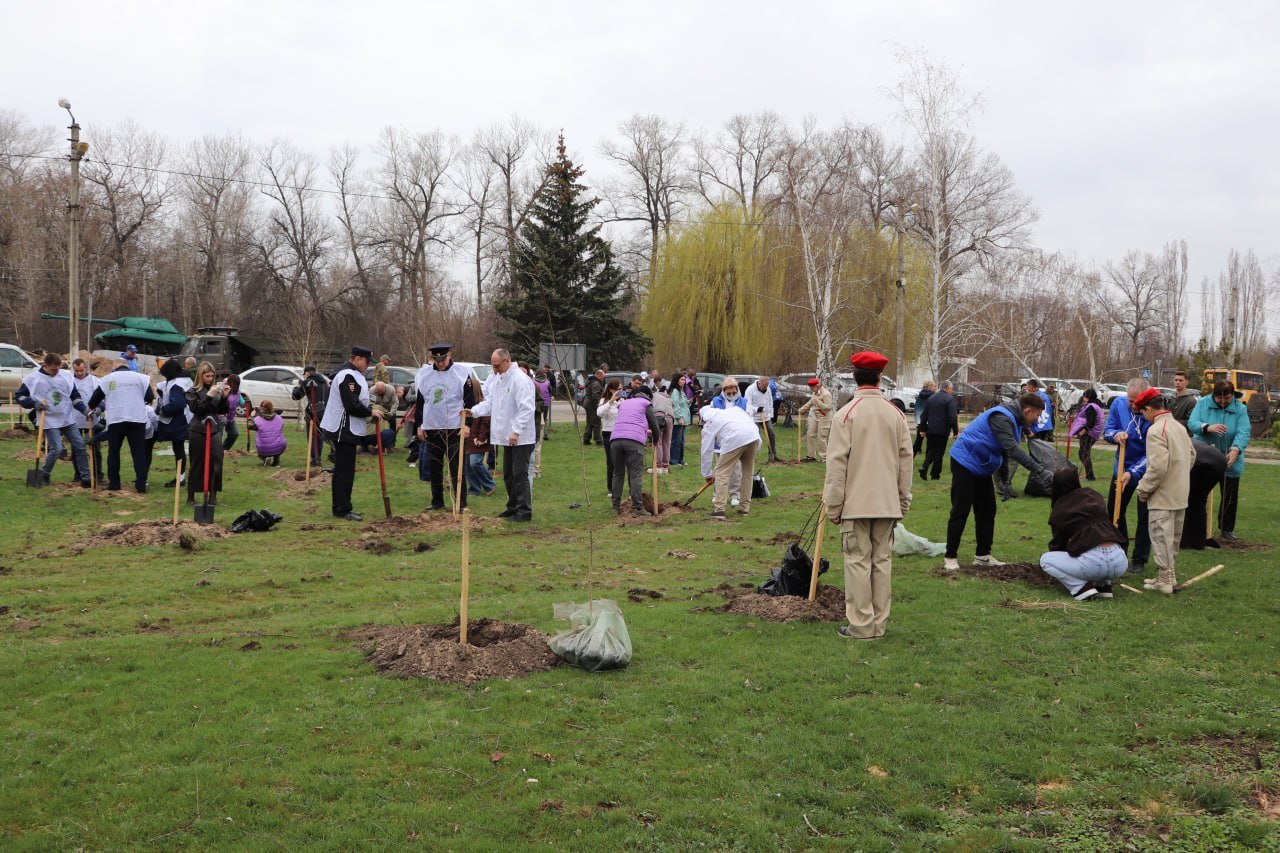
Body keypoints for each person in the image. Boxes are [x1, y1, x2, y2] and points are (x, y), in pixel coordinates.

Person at [823, 350, 913, 639]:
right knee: (881, 563)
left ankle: (862, 626)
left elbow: (836, 466)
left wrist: (833, 505)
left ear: (854, 376)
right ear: (880, 378)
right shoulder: (896, 414)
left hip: (856, 504)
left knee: (858, 562)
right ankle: (878, 625)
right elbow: (905, 462)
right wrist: (903, 499)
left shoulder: (845, 415)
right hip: (887, 504)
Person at [943, 393, 1051, 571]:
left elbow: (1003, 452)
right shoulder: (1001, 417)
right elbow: (1013, 449)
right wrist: (1039, 470)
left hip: (981, 465)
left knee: (987, 510)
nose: (1037, 420)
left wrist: (1005, 482)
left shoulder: (1015, 419)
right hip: (965, 461)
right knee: (960, 510)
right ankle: (950, 557)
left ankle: (982, 556)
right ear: (1028, 410)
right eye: (1037, 415)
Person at [1131, 389, 1192, 594]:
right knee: (1172, 537)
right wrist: (1179, 474)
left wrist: (1143, 488)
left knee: (1160, 536)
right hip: (1180, 491)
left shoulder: (1157, 430)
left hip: (1163, 494)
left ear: (1149, 409)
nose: (1144, 417)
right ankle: (1166, 576)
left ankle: (1165, 579)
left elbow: (1156, 467)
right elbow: (1191, 456)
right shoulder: (1178, 427)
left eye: (1143, 412)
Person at [465, 349, 536, 521]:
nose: (494, 369)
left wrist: (517, 430)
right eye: (492, 366)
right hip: (506, 437)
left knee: (520, 474)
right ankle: (512, 507)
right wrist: (473, 411)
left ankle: (524, 511)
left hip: (521, 438)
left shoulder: (520, 380)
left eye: (496, 366)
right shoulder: (498, 379)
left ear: (507, 361)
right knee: (509, 474)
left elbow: (526, 408)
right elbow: (490, 402)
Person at [1039, 467, 1128, 601]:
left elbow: (1058, 545)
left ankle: (1081, 588)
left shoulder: (1061, 508)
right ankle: (1103, 586)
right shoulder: (1094, 496)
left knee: (1045, 560)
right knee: (1096, 543)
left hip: (1093, 564)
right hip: (1120, 560)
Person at [413, 343, 476, 511]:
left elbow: (470, 401)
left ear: (449, 356)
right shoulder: (425, 374)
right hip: (432, 426)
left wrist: (468, 425)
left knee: (456, 466)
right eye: (437, 360)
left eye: (443, 359)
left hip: (454, 427)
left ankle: (460, 503)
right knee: (434, 466)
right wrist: (419, 425)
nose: (440, 363)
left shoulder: (461, 373)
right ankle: (437, 500)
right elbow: (420, 403)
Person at [321, 346, 381, 521]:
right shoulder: (347, 376)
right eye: (366, 361)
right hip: (343, 428)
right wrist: (370, 412)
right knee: (344, 471)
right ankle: (342, 509)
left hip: (348, 428)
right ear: (356, 359)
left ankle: (343, 506)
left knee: (345, 470)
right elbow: (351, 405)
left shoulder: (353, 375)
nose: (367, 365)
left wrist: (369, 409)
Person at [1188, 380, 1251, 543]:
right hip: (1203, 456)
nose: (1223, 402)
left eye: (1227, 398)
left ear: (1232, 395)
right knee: (1196, 493)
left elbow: (1243, 431)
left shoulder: (1240, 409)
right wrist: (1207, 427)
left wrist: (1236, 449)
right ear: (1213, 395)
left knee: (1229, 496)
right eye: (1219, 398)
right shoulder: (1202, 403)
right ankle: (1194, 528)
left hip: (1229, 457)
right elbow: (1192, 422)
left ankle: (1226, 529)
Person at [15, 352, 90, 487]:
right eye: (53, 369)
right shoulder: (33, 379)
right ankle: (44, 475)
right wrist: (33, 404)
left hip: (67, 418)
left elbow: (74, 396)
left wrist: (84, 409)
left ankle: (86, 478)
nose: (56, 372)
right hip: (49, 420)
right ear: (45, 365)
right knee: (56, 449)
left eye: (58, 368)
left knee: (80, 446)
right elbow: (19, 396)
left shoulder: (66, 376)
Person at [1104, 378, 1152, 573]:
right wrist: (1116, 434)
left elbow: (1152, 453)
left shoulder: (1151, 413)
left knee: (1145, 516)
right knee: (1114, 511)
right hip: (1121, 467)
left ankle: (1139, 559)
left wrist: (1134, 472)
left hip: (1145, 472)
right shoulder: (1119, 404)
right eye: (1130, 400)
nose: (1132, 405)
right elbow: (1108, 430)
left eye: (1136, 401)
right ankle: (1119, 551)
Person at [87, 359, 154, 492]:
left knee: (114, 452)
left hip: (116, 419)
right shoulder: (141, 378)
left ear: (114, 367)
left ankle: (114, 483)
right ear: (128, 366)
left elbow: (94, 399)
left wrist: (90, 409)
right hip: (137, 419)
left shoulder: (107, 379)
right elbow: (150, 397)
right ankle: (141, 485)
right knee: (139, 453)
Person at [699, 403, 760, 518]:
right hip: (753, 436)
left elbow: (706, 450)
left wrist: (707, 474)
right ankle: (744, 508)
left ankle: (719, 509)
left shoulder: (709, 423)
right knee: (748, 473)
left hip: (735, 438)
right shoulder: (734, 411)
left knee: (721, 472)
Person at [610, 385, 661, 513]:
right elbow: (654, 425)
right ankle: (637, 507)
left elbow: (630, 421)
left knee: (618, 473)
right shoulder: (646, 403)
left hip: (616, 439)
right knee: (635, 473)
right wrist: (655, 439)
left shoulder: (624, 403)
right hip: (633, 441)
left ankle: (615, 506)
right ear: (648, 396)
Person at [186, 362, 230, 506]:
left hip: (215, 429)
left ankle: (213, 495)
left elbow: (222, 410)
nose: (210, 379)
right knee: (197, 462)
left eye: (212, 376)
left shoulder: (215, 390)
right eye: (207, 376)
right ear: (201, 376)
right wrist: (209, 396)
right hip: (198, 429)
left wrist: (224, 397)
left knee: (217, 462)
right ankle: (191, 496)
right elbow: (197, 409)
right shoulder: (192, 392)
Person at [155, 358, 192, 488]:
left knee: (179, 449)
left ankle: (180, 478)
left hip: (179, 420)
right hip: (187, 418)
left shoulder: (176, 385)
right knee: (180, 449)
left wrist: (162, 410)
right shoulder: (186, 380)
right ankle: (181, 477)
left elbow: (177, 405)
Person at [69, 358, 102, 484]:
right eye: (76, 371)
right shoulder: (69, 381)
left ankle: (97, 473)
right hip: (74, 420)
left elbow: (103, 398)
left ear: (86, 368)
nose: (79, 373)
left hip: (92, 420)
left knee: (95, 447)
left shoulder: (95, 381)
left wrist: (99, 408)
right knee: (76, 449)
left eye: (81, 370)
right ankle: (79, 474)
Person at [918, 380, 958, 481]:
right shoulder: (949, 400)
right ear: (948, 388)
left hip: (930, 429)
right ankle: (935, 474)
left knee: (931, 450)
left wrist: (922, 428)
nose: (951, 391)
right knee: (939, 453)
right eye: (951, 389)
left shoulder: (931, 398)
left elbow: (924, 415)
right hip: (942, 431)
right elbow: (952, 417)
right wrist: (955, 431)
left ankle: (924, 467)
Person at [291, 365, 330, 468]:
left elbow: (296, 396)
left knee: (312, 436)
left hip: (313, 412)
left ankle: (314, 459)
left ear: (307, 373)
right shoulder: (324, 381)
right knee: (320, 435)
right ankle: (319, 457)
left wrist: (295, 387)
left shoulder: (307, 382)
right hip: (324, 411)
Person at [1068, 388, 1106, 481]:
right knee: (1083, 454)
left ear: (1088, 397)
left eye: (1084, 396)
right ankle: (1089, 475)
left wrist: (1083, 431)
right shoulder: (1095, 405)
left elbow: (1091, 422)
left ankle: (1090, 476)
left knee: (1084, 454)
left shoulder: (1091, 407)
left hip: (1089, 433)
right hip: (1093, 433)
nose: (1083, 398)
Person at [596, 379, 623, 497]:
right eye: (618, 389)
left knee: (621, 462)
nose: (620, 392)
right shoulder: (604, 401)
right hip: (609, 433)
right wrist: (611, 401)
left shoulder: (622, 401)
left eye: (621, 389)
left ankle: (620, 486)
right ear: (611, 389)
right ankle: (611, 488)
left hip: (621, 433)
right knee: (611, 461)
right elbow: (599, 413)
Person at [797, 378, 833, 461]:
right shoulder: (815, 393)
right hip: (815, 416)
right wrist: (801, 410)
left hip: (825, 417)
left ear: (818, 386)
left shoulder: (826, 394)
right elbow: (810, 402)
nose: (811, 389)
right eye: (810, 387)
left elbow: (828, 407)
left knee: (821, 437)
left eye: (812, 387)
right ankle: (811, 456)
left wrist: (818, 402)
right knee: (810, 434)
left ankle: (825, 457)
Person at [746, 376, 777, 462]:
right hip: (754, 418)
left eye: (766, 386)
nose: (765, 388)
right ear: (759, 383)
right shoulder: (750, 390)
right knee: (755, 437)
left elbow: (770, 401)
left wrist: (770, 414)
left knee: (771, 434)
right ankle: (750, 456)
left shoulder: (768, 389)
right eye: (764, 386)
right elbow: (747, 405)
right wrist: (756, 409)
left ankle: (773, 454)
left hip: (766, 417)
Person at [464, 414, 496, 497]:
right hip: (467, 437)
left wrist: (482, 437)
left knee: (475, 462)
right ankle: (474, 489)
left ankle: (489, 485)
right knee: (467, 465)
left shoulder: (482, 404)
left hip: (477, 437)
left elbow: (486, 420)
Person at [251, 400, 288, 466]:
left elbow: (250, 426)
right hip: (280, 446)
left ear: (262, 408)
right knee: (277, 441)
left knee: (260, 444)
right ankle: (276, 461)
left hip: (263, 447)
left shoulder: (257, 419)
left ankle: (265, 459)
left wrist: (252, 416)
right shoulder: (279, 418)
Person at [221, 374, 251, 451]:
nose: (234, 386)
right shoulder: (224, 391)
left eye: (236, 384)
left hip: (230, 418)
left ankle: (224, 449)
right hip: (221, 417)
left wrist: (246, 403)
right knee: (219, 436)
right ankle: (216, 451)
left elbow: (242, 404)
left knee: (234, 434)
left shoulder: (238, 393)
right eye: (232, 383)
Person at [650, 381, 675, 474]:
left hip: (658, 417)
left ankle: (658, 465)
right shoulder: (669, 398)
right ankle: (666, 465)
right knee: (667, 442)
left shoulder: (654, 395)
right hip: (670, 418)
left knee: (657, 441)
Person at [532, 367, 552, 476]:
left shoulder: (533, 383)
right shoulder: (547, 382)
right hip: (545, 405)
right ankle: (537, 469)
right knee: (543, 421)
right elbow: (551, 391)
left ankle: (534, 469)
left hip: (535, 409)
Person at [669, 374, 692, 468]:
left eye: (684, 380)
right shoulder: (675, 392)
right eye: (682, 379)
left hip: (684, 420)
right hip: (679, 420)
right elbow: (675, 405)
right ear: (677, 380)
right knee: (676, 441)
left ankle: (680, 460)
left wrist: (688, 402)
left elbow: (683, 405)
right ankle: (673, 460)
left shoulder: (681, 391)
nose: (684, 381)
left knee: (681, 441)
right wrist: (679, 417)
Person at [913, 380, 937, 457]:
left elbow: (916, 409)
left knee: (918, 441)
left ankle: (911, 457)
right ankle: (927, 461)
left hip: (920, 421)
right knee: (930, 443)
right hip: (929, 421)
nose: (935, 388)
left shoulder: (920, 395)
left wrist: (917, 422)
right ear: (929, 387)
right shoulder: (933, 396)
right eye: (934, 386)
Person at [583, 368, 606, 445]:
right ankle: (598, 440)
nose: (603, 378)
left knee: (590, 422)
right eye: (603, 377)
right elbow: (595, 396)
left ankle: (586, 439)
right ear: (599, 375)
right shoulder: (596, 384)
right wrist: (600, 405)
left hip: (589, 403)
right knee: (596, 422)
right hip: (592, 404)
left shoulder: (592, 381)